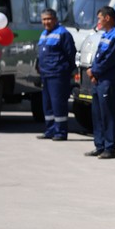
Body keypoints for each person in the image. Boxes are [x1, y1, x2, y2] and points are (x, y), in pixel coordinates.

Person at [86, 6, 115, 159]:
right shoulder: (106, 35)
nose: (99, 21)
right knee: (97, 114)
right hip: (98, 80)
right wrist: (93, 71)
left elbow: (109, 60)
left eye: (100, 17)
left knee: (108, 114)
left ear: (107, 18)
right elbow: (99, 56)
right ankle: (99, 145)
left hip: (107, 81)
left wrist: (94, 71)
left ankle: (109, 147)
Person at [36, 8, 77, 141]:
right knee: (47, 104)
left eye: (49, 19)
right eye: (44, 19)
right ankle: (50, 130)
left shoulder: (63, 33)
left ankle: (61, 132)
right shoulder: (44, 34)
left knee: (58, 104)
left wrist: (67, 71)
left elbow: (70, 54)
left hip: (58, 75)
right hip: (45, 74)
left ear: (55, 19)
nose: (46, 22)